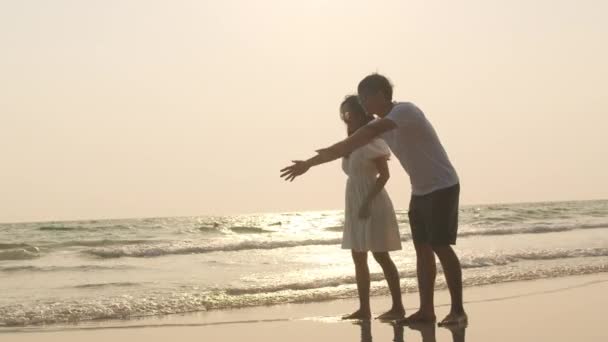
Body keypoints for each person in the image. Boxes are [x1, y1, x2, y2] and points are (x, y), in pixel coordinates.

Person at [280, 74, 467, 326]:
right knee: (422, 251)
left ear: (381, 94)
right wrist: (309, 164)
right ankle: (426, 311)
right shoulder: (381, 124)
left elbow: (355, 141)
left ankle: (457, 311)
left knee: (440, 247)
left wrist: (322, 156)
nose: (364, 103)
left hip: (443, 185)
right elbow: (346, 147)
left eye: (366, 97)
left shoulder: (404, 112)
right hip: (420, 190)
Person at [285, 95, 405, 320]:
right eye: (344, 115)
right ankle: (364, 308)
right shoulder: (350, 142)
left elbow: (384, 175)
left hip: (372, 200)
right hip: (353, 199)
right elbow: (331, 154)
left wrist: (367, 202)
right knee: (358, 256)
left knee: (381, 255)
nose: (346, 119)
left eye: (349, 114)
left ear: (362, 113)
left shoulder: (373, 139)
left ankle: (398, 306)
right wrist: (306, 165)